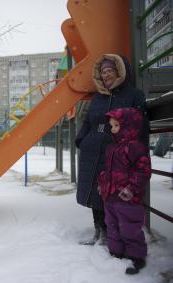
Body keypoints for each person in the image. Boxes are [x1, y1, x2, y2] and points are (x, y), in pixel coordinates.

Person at [75, 54, 148, 245]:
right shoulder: (98, 97)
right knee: (94, 190)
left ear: (120, 72)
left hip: (116, 151)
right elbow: (88, 121)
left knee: (110, 193)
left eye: (110, 70)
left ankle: (113, 234)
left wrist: (138, 153)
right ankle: (99, 232)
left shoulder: (134, 95)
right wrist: (81, 139)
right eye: (103, 71)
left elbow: (141, 125)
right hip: (92, 148)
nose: (106, 75)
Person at [99, 107, 151, 275]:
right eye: (111, 126)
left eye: (116, 125)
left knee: (130, 228)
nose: (112, 129)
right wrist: (102, 182)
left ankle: (137, 257)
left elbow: (143, 171)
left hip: (128, 200)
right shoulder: (111, 148)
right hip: (110, 198)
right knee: (112, 226)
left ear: (128, 126)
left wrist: (131, 188)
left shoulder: (136, 148)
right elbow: (108, 170)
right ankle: (116, 253)